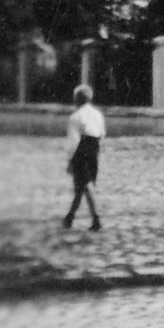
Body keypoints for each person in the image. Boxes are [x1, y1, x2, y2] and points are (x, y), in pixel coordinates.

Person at [62, 84, 106, 230]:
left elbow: (73, 140)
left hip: (81, 148)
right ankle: (69, 217)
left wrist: (70, 160)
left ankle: (96, 218)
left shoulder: (76, 116)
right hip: (94, 147)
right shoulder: (98, 114)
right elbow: (102, 133)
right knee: (82, 185)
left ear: (78, 99)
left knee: (84, 185)